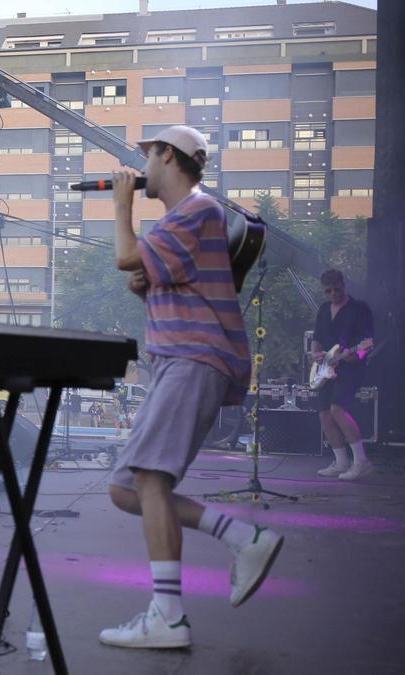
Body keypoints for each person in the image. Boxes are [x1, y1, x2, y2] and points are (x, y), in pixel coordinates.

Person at [100, 125, 283, 649]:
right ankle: (243, 538)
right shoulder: (184, 223)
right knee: (126, 488)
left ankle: (169, 617)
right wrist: (147, 289)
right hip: (179, 359)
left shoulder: (197, 210)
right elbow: (176, 293)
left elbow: (125, 256)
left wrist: (120, 208)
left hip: (191, 360)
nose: (141, 169)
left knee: (150, 480)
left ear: (169, 157)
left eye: (148, 156)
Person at [310, 269, 376, 480]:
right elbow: (317, 337)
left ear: (343, 285)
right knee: (324, 415)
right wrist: (315, 354)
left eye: (336, 290)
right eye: (328, 291)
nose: (333, 295)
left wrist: (356, 354)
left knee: (337, 409)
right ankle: (341, 462)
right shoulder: (323, 309)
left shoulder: (359, 309)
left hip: (350, 368)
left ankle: (362, 462)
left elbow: (368, 342)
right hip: (327, 368)